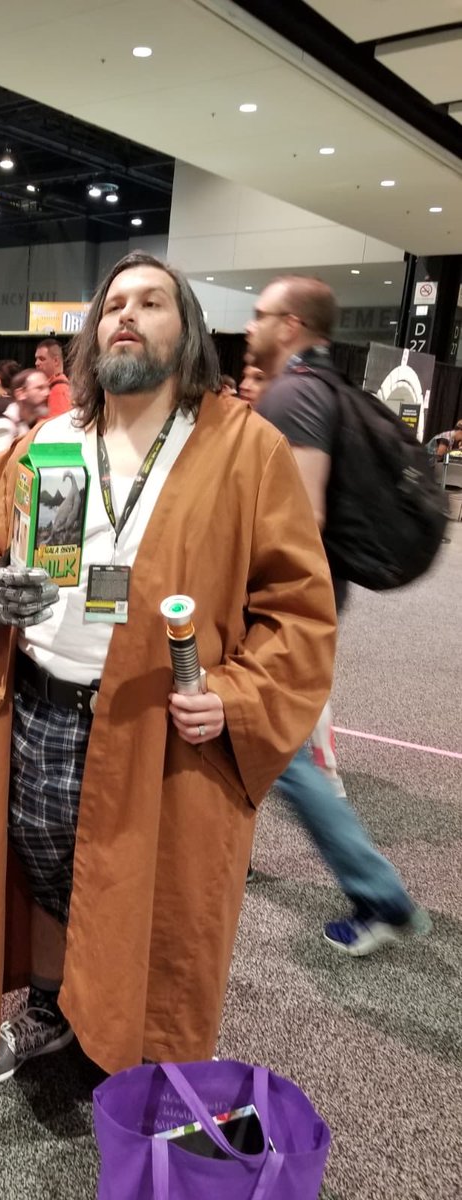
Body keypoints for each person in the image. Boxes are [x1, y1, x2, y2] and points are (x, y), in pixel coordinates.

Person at [0, 251, 337, 1085]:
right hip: (40, 707)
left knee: (147, 889)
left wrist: (236, 696)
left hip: (160, 724)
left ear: (187, 334)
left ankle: (137, 1042)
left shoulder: (245, 450)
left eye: (152, 302)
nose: (127, 314)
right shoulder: (47, 443)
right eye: (114, 303)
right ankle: (54, 1005)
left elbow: (298, 610)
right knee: (44, 865)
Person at [248, 274, 430, 955]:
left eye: (262, 315)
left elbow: (300, 517)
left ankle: (380, 894)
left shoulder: (292, 394)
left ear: (291, 325)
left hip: (286, 600)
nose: (252, 328)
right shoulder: (325, 386)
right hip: (315, 594)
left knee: (279, 747)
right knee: (272, 742)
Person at [0, 368, 50, 484]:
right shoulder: (4, 427)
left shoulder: (26, 426)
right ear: (21, 393)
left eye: (48, 387)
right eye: (39, 388)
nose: (47, 393)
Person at [34, 338, 71, 417]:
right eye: (36, 359)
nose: (36, 363)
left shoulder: (59, 389)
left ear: (56, 361)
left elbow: (57, 422)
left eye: (42, 359)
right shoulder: (53, 386)